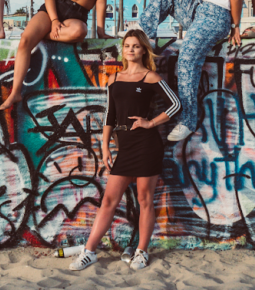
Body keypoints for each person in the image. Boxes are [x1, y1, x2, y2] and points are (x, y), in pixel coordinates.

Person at [67, 30, 180, 272]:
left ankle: (141, 252)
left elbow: (176, 104)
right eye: (127, 45)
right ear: (123, 49)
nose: (131, 49)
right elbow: (110, 115)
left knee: (145, 200)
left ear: (143, 50)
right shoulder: (114, 79)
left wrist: (151, 122)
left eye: (136, 46)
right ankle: (89, 252)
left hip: (147, 145)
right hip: (124, 148)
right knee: (108, 200)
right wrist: (105, 145)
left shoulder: (150, 77)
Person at [139, 0, 243, 142]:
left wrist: (235, 26)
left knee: (187, 57)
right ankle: (144, 32)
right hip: (196, 13)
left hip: (215, 16)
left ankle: (188, 120)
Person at [0, 0, 115, 110]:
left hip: (76, 16)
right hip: (52, 9)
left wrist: (101, 31)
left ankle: (41, 34)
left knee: (80, 32)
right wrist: (53, 20)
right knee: (25, 41)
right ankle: (16, 92)